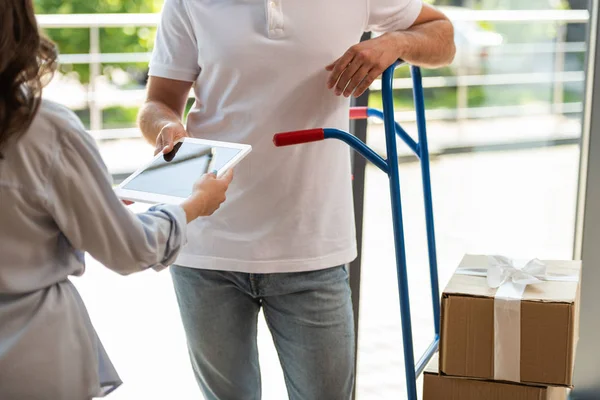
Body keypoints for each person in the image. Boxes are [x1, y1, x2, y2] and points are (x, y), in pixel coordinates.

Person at [139, 0, 455, 399]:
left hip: (312, 248)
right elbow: (158, 103)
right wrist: (168, 129)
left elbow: (442, 35)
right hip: (208, 247)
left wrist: (393, 44)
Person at [0, 1, 234, 399]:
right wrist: (193, 205)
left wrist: (81, 205)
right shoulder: (45, 129)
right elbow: (129, 249)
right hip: (32, 358)